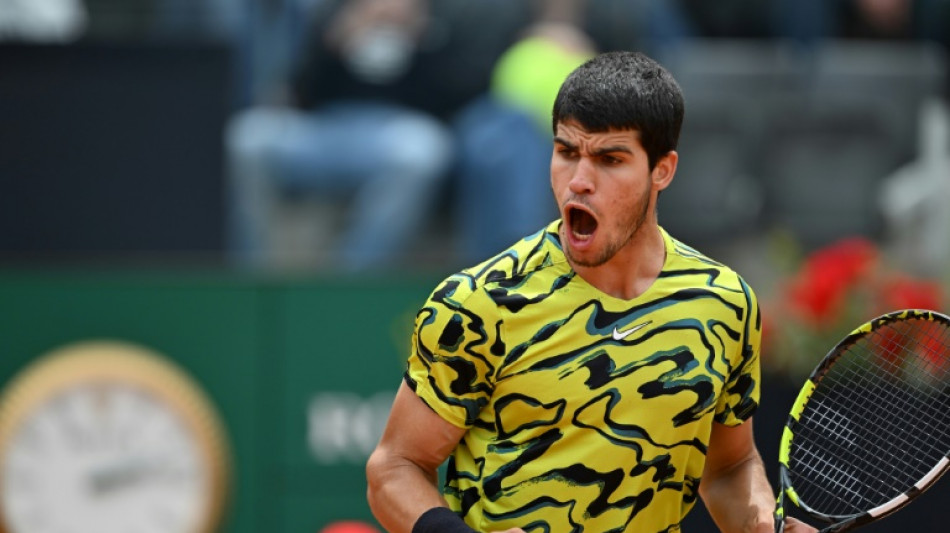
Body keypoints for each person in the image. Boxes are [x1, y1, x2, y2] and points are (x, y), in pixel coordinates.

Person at [365, 51, 817, 532]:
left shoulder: (725, 304)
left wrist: (762, 523)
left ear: (662, 170)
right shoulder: (479, 303)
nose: (579, 181)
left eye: (610, 159)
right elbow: (393, 469)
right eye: (566, 152)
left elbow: (729, 467)